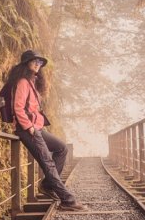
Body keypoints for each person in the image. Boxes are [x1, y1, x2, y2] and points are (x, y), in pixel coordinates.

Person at [6, 49, 87, 211]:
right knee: (47, 163)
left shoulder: (31, 82)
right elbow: (18, 108)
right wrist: (28, 127)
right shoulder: (22, 82)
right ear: (26, 64)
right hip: (27, 129)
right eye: (35, 61)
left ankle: (47, 185)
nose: (38, 65)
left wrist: (36, 126)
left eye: (40, 62)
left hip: (37, 128)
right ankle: (68, 200)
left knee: (62, 148)